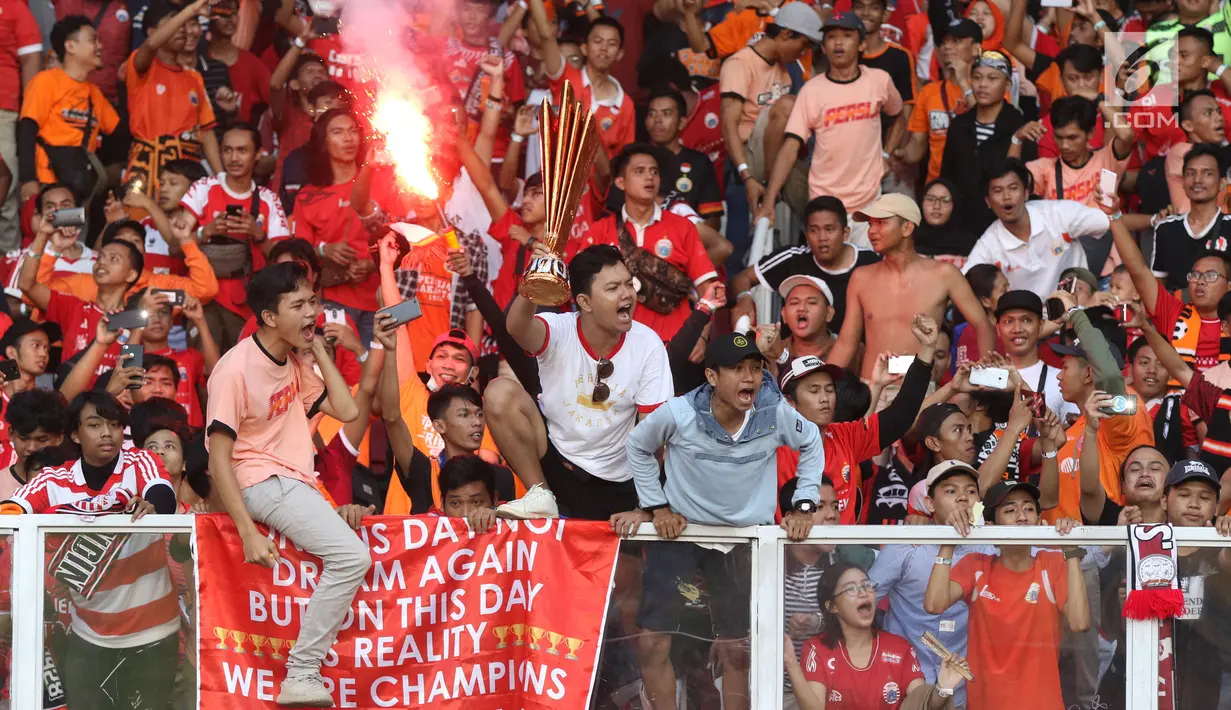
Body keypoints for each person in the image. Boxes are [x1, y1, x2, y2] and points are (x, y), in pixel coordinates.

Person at [619, 331, 821, 710]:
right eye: (737, 370)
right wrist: (657, 506)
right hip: (683, 536)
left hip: (744, 542)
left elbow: (811, 441)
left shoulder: (773, 411)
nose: (749, 378)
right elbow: (638, 446)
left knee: (737, 650)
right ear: (712, 377)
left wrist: (805, 505)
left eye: (756, 369)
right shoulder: (680, 412)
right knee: (652, 642)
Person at [205, 261, 367, 705]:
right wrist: (246, 532)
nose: (312, 311)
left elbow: (347, 411)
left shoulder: (295, 358)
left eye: (313, 301)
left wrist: (316, 353)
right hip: (261, 481)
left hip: (291, 479)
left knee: (349, 556)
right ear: (270, 316)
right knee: (352, 557)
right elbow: (218, 456)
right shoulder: (234, 370)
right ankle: (301, 672)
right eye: (299, 304)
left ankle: (302, 672)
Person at [1, 391, 179, 709]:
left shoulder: (142, 462)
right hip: (89, 635)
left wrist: (153, 507)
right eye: (95, 425)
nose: (107, 433)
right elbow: (14, 508)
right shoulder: (54, 480)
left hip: (154, 632)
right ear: (74, 433)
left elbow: (162, 493)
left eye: (113, 424)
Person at [484, 244, 674, 520]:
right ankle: (540, 496)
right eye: (612, 288)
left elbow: (652, 437)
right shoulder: (560, 329)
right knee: (499, 392)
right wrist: (532, 284)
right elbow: (516, 328)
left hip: (619, 481)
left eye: (627, 284)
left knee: (617, 565)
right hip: (557, 464)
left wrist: (645, 507)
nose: (627, 294)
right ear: (585, 302)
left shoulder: (648, 345)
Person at [924, 480, 1090, 710]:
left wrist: (1071, 549)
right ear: (991, 525)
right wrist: (948, 544)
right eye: (1010, 510)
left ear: (1039, 520)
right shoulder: (977, 566)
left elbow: (1080, 622)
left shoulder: (1051, 564)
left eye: (1029, 508)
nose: (1022, 516)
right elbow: (934, 604)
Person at [778, 313, 941, 523]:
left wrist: (927, 350)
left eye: (829, 389)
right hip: (784, 551)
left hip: (843, 553)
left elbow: (900, 417)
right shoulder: (772, 446)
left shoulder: (845, 436)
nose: (824, 398)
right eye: (813, 390)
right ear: (790, 402)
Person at [762, 12, 906, 247]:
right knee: (826, 278)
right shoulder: (812, 91)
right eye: (831, 37)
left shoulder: (879, 80)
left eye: (847, 36)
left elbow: (899, 116)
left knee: (866, 274)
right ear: (824, 47)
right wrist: (768, 202)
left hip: (869, 202)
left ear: (862, 44)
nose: (838, 42)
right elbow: (790, 146)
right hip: (824, 205)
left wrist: (886, 155)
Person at [826, 194, 993, 380]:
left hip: (919, 392)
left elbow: (982, 324)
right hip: (871, 390)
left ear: (907, 228)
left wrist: (985, 376)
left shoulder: (944, 274)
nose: (872, 231)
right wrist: (822, 383)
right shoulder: (861, 277)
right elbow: (846, 343)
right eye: (870, 224)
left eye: (880, 223)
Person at [372, 302, 512, 516]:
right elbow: (391, 417)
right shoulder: (423, 471)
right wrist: (389, 351)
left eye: (459, 359)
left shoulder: (499, 475)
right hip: (403, 537)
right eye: (441, 357)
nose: (475, 421)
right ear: (438, 424)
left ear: (473, 372)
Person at [869, 460, 991, 706]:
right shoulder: (907, 545)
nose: (963, 499)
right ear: (929, 503)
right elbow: (863, 600)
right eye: (951, 491)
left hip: (966, 686)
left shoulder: (991, 548)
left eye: (970, 491)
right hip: (906, 684)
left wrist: (1071, 529)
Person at [789, 561, 970, 710]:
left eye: (867, 585)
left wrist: (943, 688)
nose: (863, 592)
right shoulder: (816, 649)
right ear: (832, 607)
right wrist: (791, 663)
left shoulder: (900, 648)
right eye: (851, 588)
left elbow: (920, 704)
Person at [1042, 294, 1155, 522]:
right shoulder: (1072, 428)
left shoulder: (1120, 411)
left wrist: (1075, 313)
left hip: (1099, 549)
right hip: (1055, 551)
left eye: (1064, 367)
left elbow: (1111, 375)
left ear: (1089, 374)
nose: (1058, 375)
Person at [590, 145, 717, 342]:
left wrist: (702, 336)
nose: (649, 177)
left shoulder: (683, 227)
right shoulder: (600, 231)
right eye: (639, 171)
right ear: (620, 182)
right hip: (616, 348)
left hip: (674, 346)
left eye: (654, 172)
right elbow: (584, 291)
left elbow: (707, 289)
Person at [180, 123, 290, 350]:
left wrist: (256, 234)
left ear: (258, 153)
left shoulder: (268, 199)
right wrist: (206, 232)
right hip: (204, 296)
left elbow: (284, 260)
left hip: (251, 301)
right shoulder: (204, 187)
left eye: (242, 150)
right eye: (227, 150)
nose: (233, 157)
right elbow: (174, 244)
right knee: (205, 370)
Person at [1104, 193, 1231, 379]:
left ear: (1229, 285)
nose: (1200, 281)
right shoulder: (1173, 313)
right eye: (1195, 275)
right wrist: (1114, 215)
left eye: (1211, 275)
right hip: (1179, 402)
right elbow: (1138, 269)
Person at [719, 3, 820, 217]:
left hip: (778, 153)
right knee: (789, 105)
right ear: (785, 34)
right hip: (749, 156)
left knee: (818, 196)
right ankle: (773, 181)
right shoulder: (740, 63)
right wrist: (746, 176)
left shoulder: (784, 69)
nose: (803, 54)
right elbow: (728, 128)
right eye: (802, 46)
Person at [731, 196, 879, 333]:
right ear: (806, 235)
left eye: (829, 229)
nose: (822, 237)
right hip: (795, 357)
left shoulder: (870, 262)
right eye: (814, 230)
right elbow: (742, 278)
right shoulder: (792, 258)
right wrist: (744, 297)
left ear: (845, 233)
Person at [964, 159, 1111, 297]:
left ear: (1026, 193)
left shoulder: (1057, 213)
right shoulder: (989, 244)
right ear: (988, 201)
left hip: (1077, 308)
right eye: (997, 191)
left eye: (1013, 188)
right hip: (1028, 319)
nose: (1006, 196)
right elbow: (962, 284)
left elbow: (1110, 222)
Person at [293, 108, 379, 343]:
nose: (348, 138)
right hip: (333, 301)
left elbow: (403, 238)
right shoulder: (308, 196)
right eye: (338, 132)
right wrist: (325, 250)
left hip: (381, 301)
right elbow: (299, 253)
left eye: (353, 131)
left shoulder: (382, 183)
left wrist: (373, 263)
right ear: (323, 141)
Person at [18, 215, 142, 373]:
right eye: (101, 257)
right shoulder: (73, 308)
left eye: (114, 259)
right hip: (68, 397)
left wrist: (137, 330)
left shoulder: (135, 321)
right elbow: (26, 285)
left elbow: (131, 380)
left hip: (111, 398)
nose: (102, 262)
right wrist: (43, 235)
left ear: (131, 275)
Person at [124, 0, 222, 195]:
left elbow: (207, 132)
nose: (182, 29)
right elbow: (151, 45)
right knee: (138, 222)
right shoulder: (141, 65)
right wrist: (192, 9)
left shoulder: (193, 77)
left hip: (186, 172)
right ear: (152, 32)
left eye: (185, 24)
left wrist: (221, 179)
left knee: (185, 224)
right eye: (175, 23)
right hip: (145, 169)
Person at [17, 15, 118, 204]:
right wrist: (28, 178)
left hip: (79, 191)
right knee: (45, 233)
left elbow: (119, 133)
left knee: (73, 234)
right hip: (46, 187)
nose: (100, 46)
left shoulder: (94, 94)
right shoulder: (46, 81)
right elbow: (27, 128)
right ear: (70, 46)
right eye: (92, 40)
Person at [527, 1, 634, 157]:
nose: (604, 48)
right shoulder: (566, 78)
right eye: (597, 41)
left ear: (620, 54)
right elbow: (546, 36)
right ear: (584, 48)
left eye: (611, 44)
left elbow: (624, 160)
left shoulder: (625, 104)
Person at [938, 49, 1024, 233]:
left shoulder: (1019, 127)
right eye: (977, 78)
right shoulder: (959, 125)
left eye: (992, 79)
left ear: (1007, 84)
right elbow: (947, 177)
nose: (983, 85)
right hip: (959, 227)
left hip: (1004, 226)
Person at [620, 88, 724, 227]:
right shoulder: (633, 160)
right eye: (652, 114)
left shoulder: (699, 163)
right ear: (645, 121)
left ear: (682, 122)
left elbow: (713, 222)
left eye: (666, 114)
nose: (657, 120)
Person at [897, 19, 984, 184]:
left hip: (978, 185)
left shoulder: (990, 88)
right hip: (939, 186)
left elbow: (988, 125)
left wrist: (964, 83)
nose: (946, 47)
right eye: (943, 42)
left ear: (975, 49)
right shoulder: (929, 92)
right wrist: (901, 154)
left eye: (956, 41)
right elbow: (918, 144)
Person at [1150, 144, 1231, 293]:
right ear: (1182, 181)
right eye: (1190, 173)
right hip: (1179, 314)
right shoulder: (1166, 229)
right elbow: (1158, 293)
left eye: (1207, 173)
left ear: (1221, 183)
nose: (1197, 180)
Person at [134, 293, 218, 427]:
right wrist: (138, 320)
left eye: (163, 313)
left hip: (190, 436)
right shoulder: (133, 359)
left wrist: (200, 321)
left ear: (172, 321)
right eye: (149, 314)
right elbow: (124, 372)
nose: (156, 319)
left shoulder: (189, 357)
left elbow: (217, 373)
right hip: (146, 434)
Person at [0, 0, 42, 248]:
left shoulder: (13, 6)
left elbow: (31, 58)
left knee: (4, 193)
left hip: (3, 108)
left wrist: (29, 116)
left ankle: (6, 271)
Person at [995, 290, 1072, 418]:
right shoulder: (985, 379)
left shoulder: (1061, 381)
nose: (1017, 329)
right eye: (1009, 321)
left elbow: (1072, 434)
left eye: (1026, 320)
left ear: (1041, 325)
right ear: (998, 328)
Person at [1160, 90, 1228, 215]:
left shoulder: (1222, 150)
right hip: (1191, 231)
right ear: (1188, 125)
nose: (1219, 118)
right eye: (1208, 113)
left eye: (1219, 112)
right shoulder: (1181, 152)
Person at [205, 0, 271, 124]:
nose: (230, 19)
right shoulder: (198, 60)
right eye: (223, 12)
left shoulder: (252, 64)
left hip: (237, 138)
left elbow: (277, 102)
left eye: (234, 13)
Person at [0, 388, 66, 501]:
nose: (31, 448)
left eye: (41, 439)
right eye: (24, 438)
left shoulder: (73, 487)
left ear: (59, 438)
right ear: (11, 433)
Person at [915, 178, 979, 266]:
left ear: (954, 206)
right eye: (930, 199)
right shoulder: (907, 241)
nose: (937, 206)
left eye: (945, 200)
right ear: (921, 203)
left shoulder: (970, 245)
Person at [954, 263, 1007, 367]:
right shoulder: (971, 332)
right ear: (986, 301)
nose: (1011, 293)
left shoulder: (1006, 325)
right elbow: (970, 376)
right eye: (1004, 290)